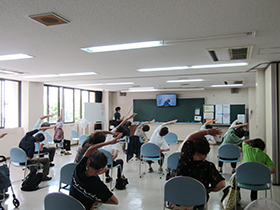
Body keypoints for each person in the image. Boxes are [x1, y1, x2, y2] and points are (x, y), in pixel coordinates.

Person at [176, 128, 225, 208]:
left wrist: (207, 131)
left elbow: (190, 137)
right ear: (206, 153)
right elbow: (221, 185)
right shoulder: (208, 166)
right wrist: (208, 190)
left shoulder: (184, 160)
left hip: (178, 200)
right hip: (197, 202)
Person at [70, 146, 119, 210]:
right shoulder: (98, 185)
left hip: (70, 204)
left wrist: (109, 143)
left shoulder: (79, 168)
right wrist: (95, 201)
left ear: (88, 161)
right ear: (101, 170)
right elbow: (115, 201)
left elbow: (90, 149)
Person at [103, 113, 136, 182]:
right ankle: (118, 177)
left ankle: (107, 176)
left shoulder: (111, 133)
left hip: (100, 159)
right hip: (107, 162)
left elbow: (119, 125)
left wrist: (127, 118)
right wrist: (109, 159)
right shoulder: (117, 143)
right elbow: (115, 156)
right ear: (121, 135)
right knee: (120, 161)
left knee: (107, 157)